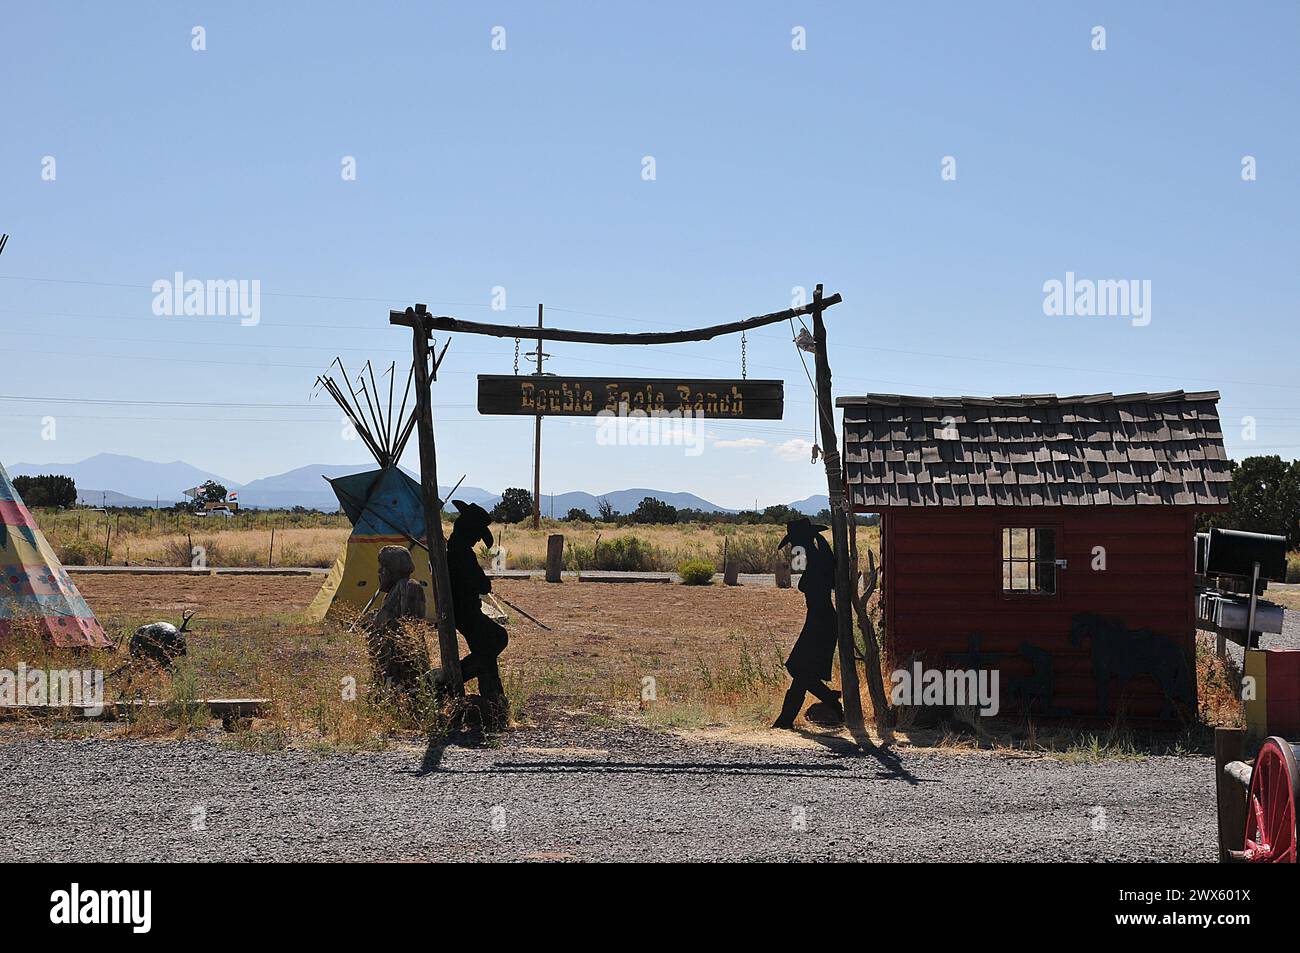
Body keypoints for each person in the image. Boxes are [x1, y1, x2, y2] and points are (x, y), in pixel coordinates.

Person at [772, 517, 844, 729]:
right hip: (820, 619)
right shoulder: (815, 555)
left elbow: (803, 574)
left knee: (799, 669)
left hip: (821, 620)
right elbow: (799, 569)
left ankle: (786, 721)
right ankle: (828, 701)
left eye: (795, 542)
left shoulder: (815, 558)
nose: (793, 547)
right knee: (801, 670)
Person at [446, 499, 509, 704]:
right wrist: (482, 582)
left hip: (464, 609)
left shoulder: (456, 548)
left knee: (486, 644)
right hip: (464, 611)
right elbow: (481, 584)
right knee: (497, 638)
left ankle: (493, 696)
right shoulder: (461, 553)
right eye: (476, 535)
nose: (476, 540)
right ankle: (455, 677)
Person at [366, 545, 430, 699]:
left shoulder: (407, 587)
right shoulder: (394, 591)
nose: (379, 572)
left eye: (383, 567)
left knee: (403, 696)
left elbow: (409, 625)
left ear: (393, 569)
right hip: (389, 661)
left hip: (401, 663)